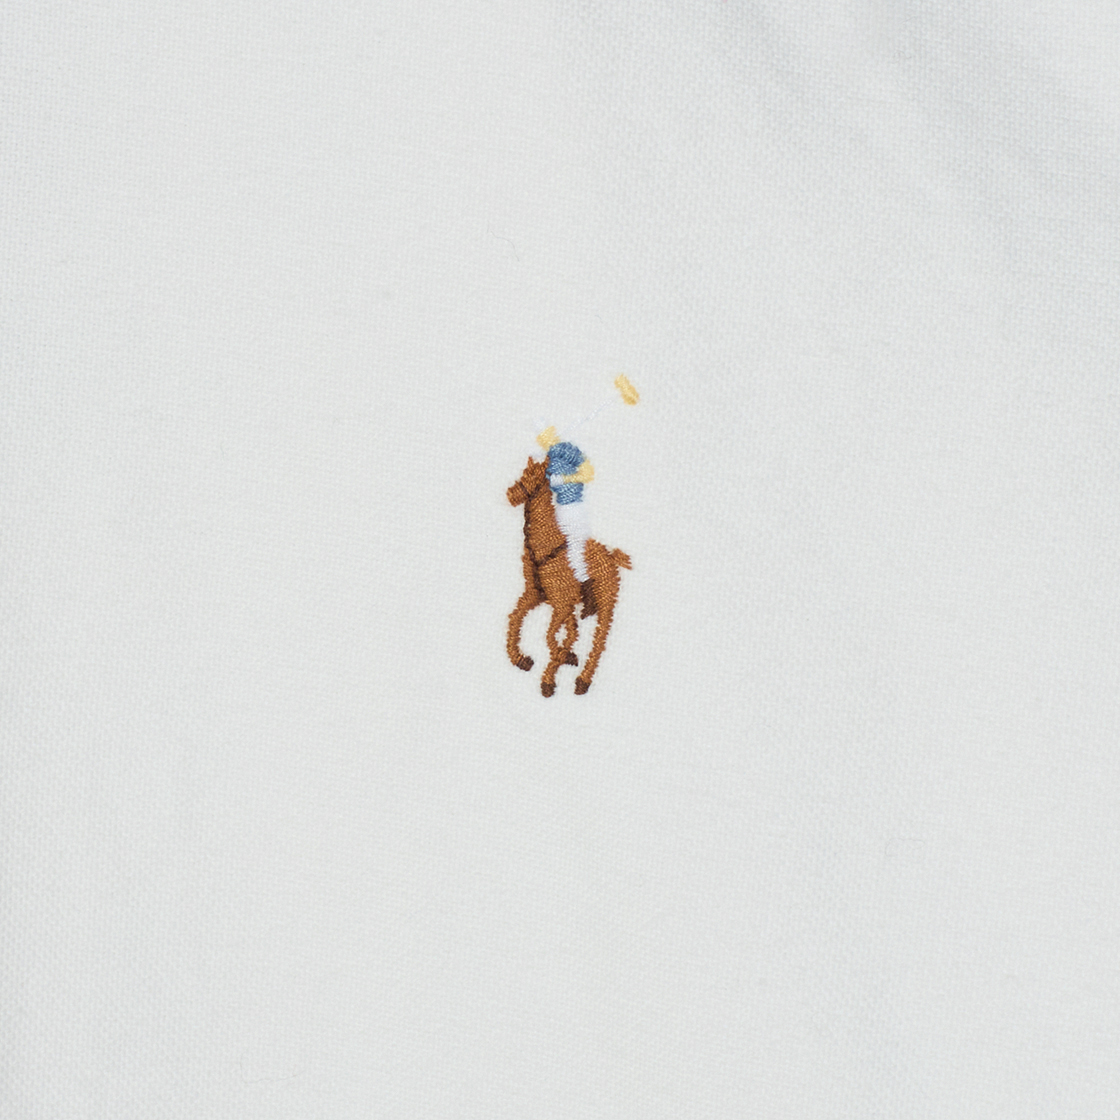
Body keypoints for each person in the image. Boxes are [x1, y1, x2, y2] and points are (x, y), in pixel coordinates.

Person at [535, 425, 597, 618]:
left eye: (544, 435)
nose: (541, 440)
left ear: (551, 433)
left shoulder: (567, 450)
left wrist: (565, 479)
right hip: (560, 508)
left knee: (575, 548)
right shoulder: (548, 456)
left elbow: (588, 473)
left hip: (574, 506)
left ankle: (589, 593)